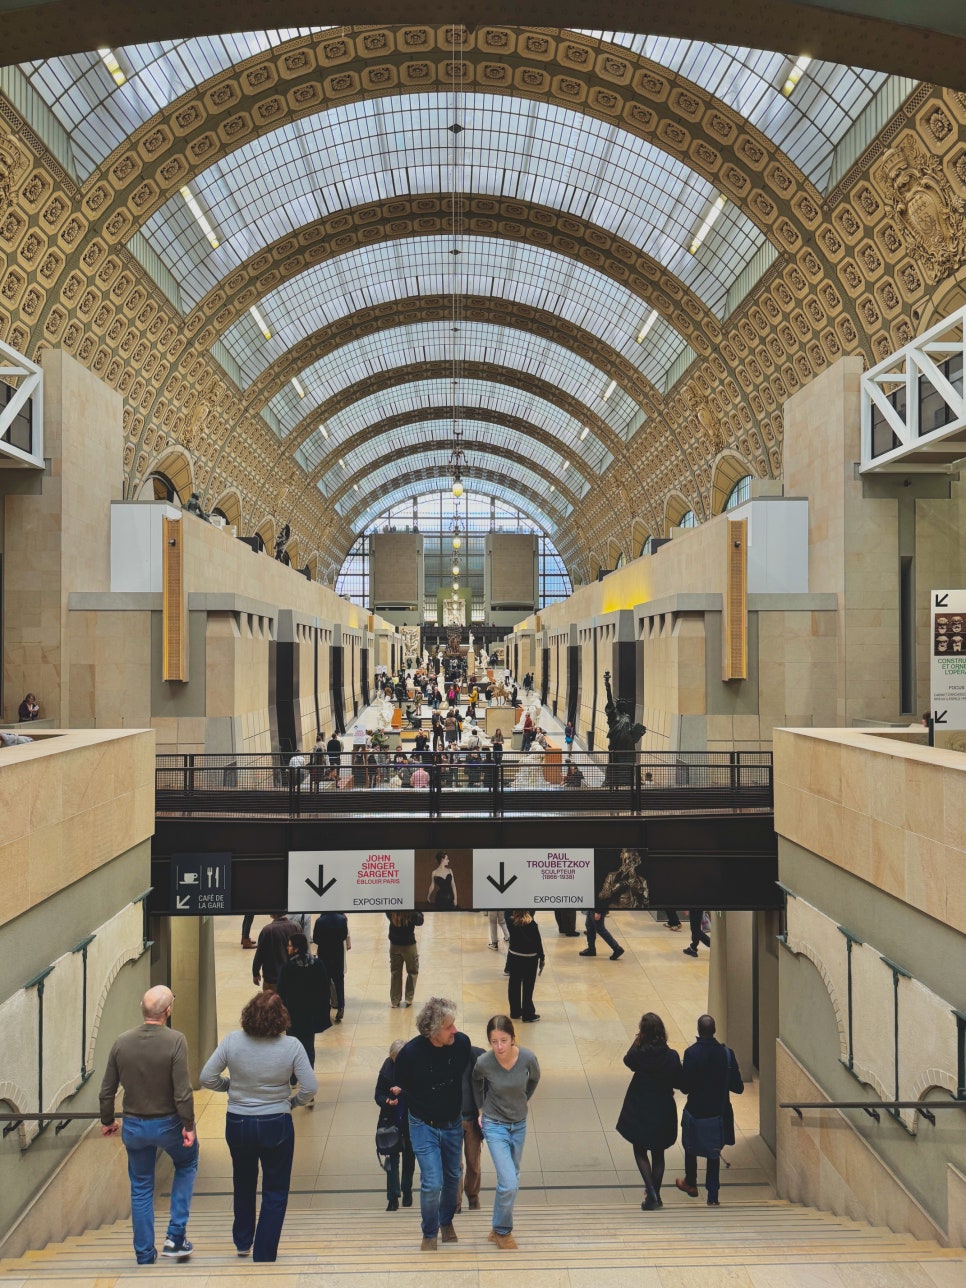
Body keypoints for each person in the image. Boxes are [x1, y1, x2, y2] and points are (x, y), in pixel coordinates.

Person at [200, 991, 317, 1260]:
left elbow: (207, 1077)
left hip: (238, 1121)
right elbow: (310, 1087)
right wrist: (292, 1102)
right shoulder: (292, 1046)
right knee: (275, 1188)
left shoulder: (232, 1041)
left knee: (242, 1181)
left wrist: (230, 1087)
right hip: (276, 1121)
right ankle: (264, 1253)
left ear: (248, 1013)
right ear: (281, 1018)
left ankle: (242, 1241)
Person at [99, 986, 198, 1265]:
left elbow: (107, 1091)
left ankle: (144, 1254)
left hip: (133, 1125)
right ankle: (175, 1236)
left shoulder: (121, 1042)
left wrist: (107, 1120)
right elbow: (182, 1092)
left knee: (141, 1186)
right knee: (187, 1163)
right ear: (168, 1011)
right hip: (168, 1123)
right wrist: (188, 1125)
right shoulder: (176, 1041)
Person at [394, 996, 473, 1250]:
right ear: (432, 1031)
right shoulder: (410, 1054)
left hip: (452, 1124)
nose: (455, 1030)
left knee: (452, 1176)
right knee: (432, 1181)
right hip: (422, 1124)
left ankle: (446, 1221)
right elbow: (402, 1083)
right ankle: (429, 1232)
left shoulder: (461, 1045)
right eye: (449, 1027)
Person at [473, 1015, 541, 1250]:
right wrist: (481, 1109)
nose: (499, 1047)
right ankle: (503, 1232)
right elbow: (476, 1082)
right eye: (494, 1041)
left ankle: (495, 1227)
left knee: (511, 1178)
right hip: (494, 1123)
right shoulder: (484, 1062)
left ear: (513, 1038)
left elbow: (534, 1079)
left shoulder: (527, 1058)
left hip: (519, 1123)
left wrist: (524, 1099)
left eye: (504, 1040)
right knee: (509, 1181)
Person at [675, 1014, 744, 1206]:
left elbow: (685, 1087)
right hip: (718, 1112)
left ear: (698, 1031)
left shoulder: (691, 1053)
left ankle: (691, 1183)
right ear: (714, 1031)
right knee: (713, 1153)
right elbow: (738, 1087)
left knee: (690, 1146)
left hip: (696, 1109)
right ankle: (713, 1197)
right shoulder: (727, 1054)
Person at [616, 1012, 682, 1210]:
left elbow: (627, 1061)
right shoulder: (671, 1056)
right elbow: (679, 1081)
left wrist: (638, 1040)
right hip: (663, 1106)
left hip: (641, 1105)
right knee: (658, 1153)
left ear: (643, 1032)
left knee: (639, 1147)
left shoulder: (639, 1052)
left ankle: (651, 1192)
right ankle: (656, 1194)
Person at [275, 932, 331, 1080]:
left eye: (289, 946)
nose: (287, 949)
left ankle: (293, 1077)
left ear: (296, 949)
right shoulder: (317, 964)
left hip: (292, 1016)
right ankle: (308, 1077)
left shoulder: (287, 968)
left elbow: (280, 993)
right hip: (310, 1016)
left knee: (292, 1048)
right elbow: (325, 989)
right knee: (308, 1048)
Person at [375, 1038, 415, 1211]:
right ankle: (393, 1197)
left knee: (409, 1158)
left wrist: (403, 1092)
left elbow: (421, 1093)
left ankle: (407, 1190)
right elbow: (378, 1094)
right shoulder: (387, 1068)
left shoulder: (415, 1067)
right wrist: (387, 1101)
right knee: (392, 1159)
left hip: (411, 1120)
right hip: (391, 1121)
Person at [455, 1037, 485, 1214]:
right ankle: (455, 1203)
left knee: (474, 1162)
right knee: (455, 1165)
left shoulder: (478, 1057)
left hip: (473, 1120)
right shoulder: (448, 1060)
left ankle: (473, 1196)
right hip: (453, 1121)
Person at [506, 910, 544, 1022]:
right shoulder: (532, 924)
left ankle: (515, 1011)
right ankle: (528, 1014)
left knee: (513, 984)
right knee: (528, 986)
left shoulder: (510, 922)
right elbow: (538, 942)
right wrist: (542, 957)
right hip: (530, 958)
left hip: (514, 956)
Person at [312, 910, 349, 1022]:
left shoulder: (319, 921)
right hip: (337, 954)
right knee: (339, 981)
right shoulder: (342, 919)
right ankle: (341, 1006)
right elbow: (344, 936)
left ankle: (325, 1009)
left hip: (324, 954)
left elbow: (316, 939)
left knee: (325, 982)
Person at [252, 913, 299, 991]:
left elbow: (260, 954)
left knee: (272, 1002)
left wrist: (255, 972)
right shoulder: (296, 926)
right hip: (293, 978)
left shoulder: (267, 930)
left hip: (273, 979)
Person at [386, 910, 423, 1007]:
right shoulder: (411, 906)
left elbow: (387, 914)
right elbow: (420, 921)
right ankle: (408, 998)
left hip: (394, 943)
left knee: (395, 972)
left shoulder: (391, 905)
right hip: (408, 944)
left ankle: (395, 1001)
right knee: (413, 971)